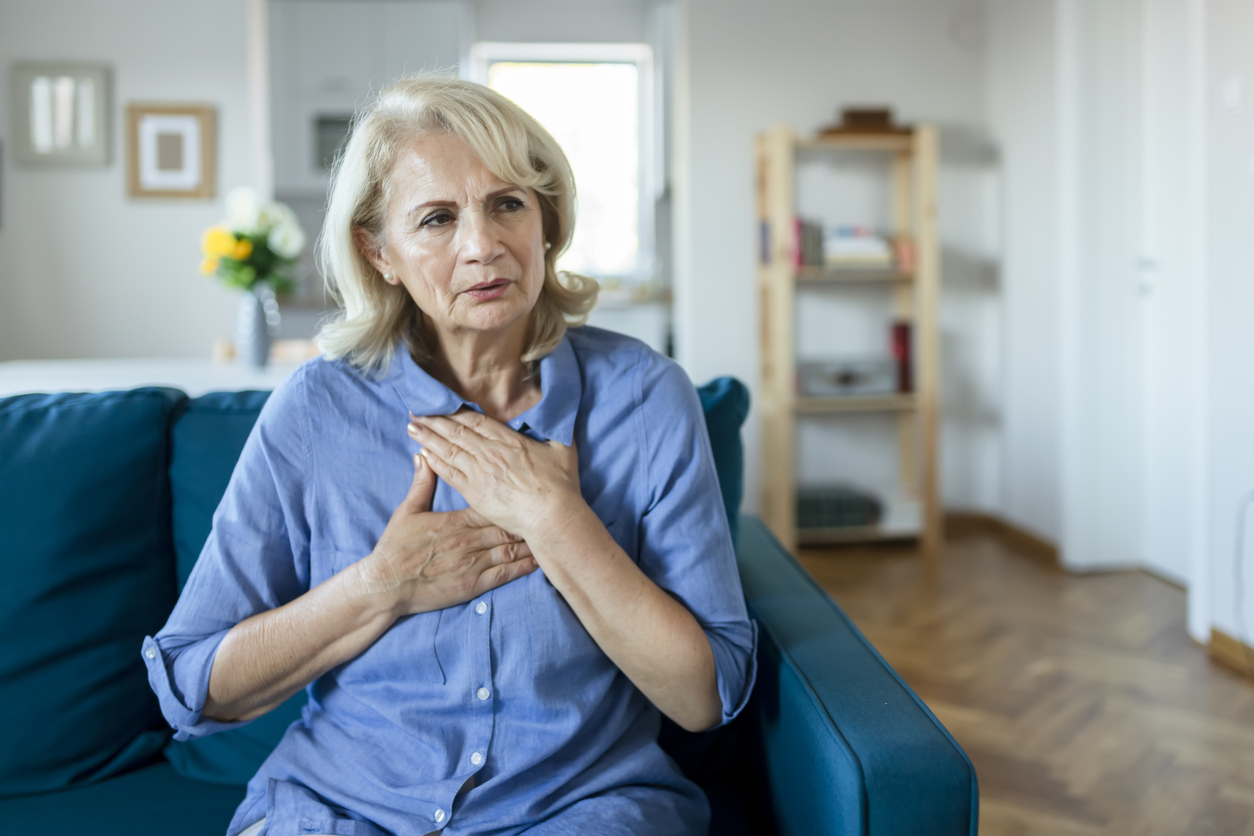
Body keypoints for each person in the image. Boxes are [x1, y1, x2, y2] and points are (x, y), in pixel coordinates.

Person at [143, 74, 756, 836]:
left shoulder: (648, 397)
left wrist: (556, 518)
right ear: (380, 253)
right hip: (339, 810)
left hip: (579, 808)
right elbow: (193, 687)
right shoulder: (316, 409)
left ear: (547, 222)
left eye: (508, 203)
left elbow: (704, 698)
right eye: (436, 218)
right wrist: (380, 585)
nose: (484, 245)